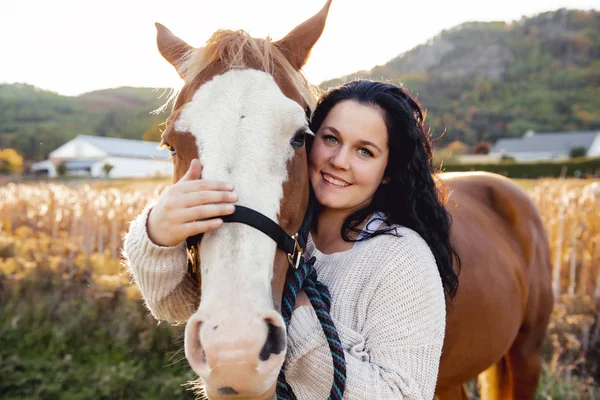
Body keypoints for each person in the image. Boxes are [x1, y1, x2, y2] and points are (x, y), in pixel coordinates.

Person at [123, 80, 460, 399]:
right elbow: (175, 305)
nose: (339, 161)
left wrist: (300, 317)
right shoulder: (272, 230)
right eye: (330, 139)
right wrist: (157, 235)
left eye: (365, 152)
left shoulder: (402, 260)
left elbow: (403, 395)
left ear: (387, 172)